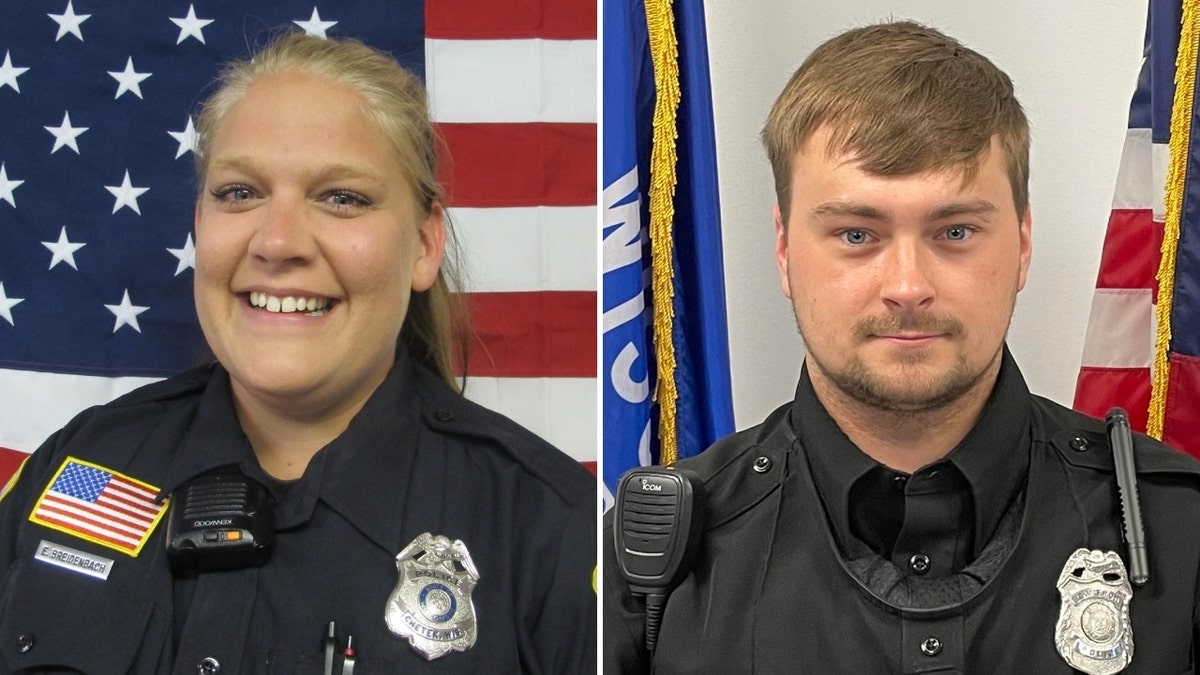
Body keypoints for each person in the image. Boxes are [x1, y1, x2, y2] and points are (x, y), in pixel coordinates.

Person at [604, 21, 1200, 674]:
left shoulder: (1181, 531)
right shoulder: (656, 565)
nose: (908, 287)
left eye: (955, 230)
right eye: (857, 234)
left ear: (1023, 243)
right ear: (783, 249)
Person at [0, 32, 595, 672]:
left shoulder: (548, 531)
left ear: (423, 246)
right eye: (239, 192)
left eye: (342, 198)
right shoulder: (79, 468)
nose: (278, 242)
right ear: (200, 222)